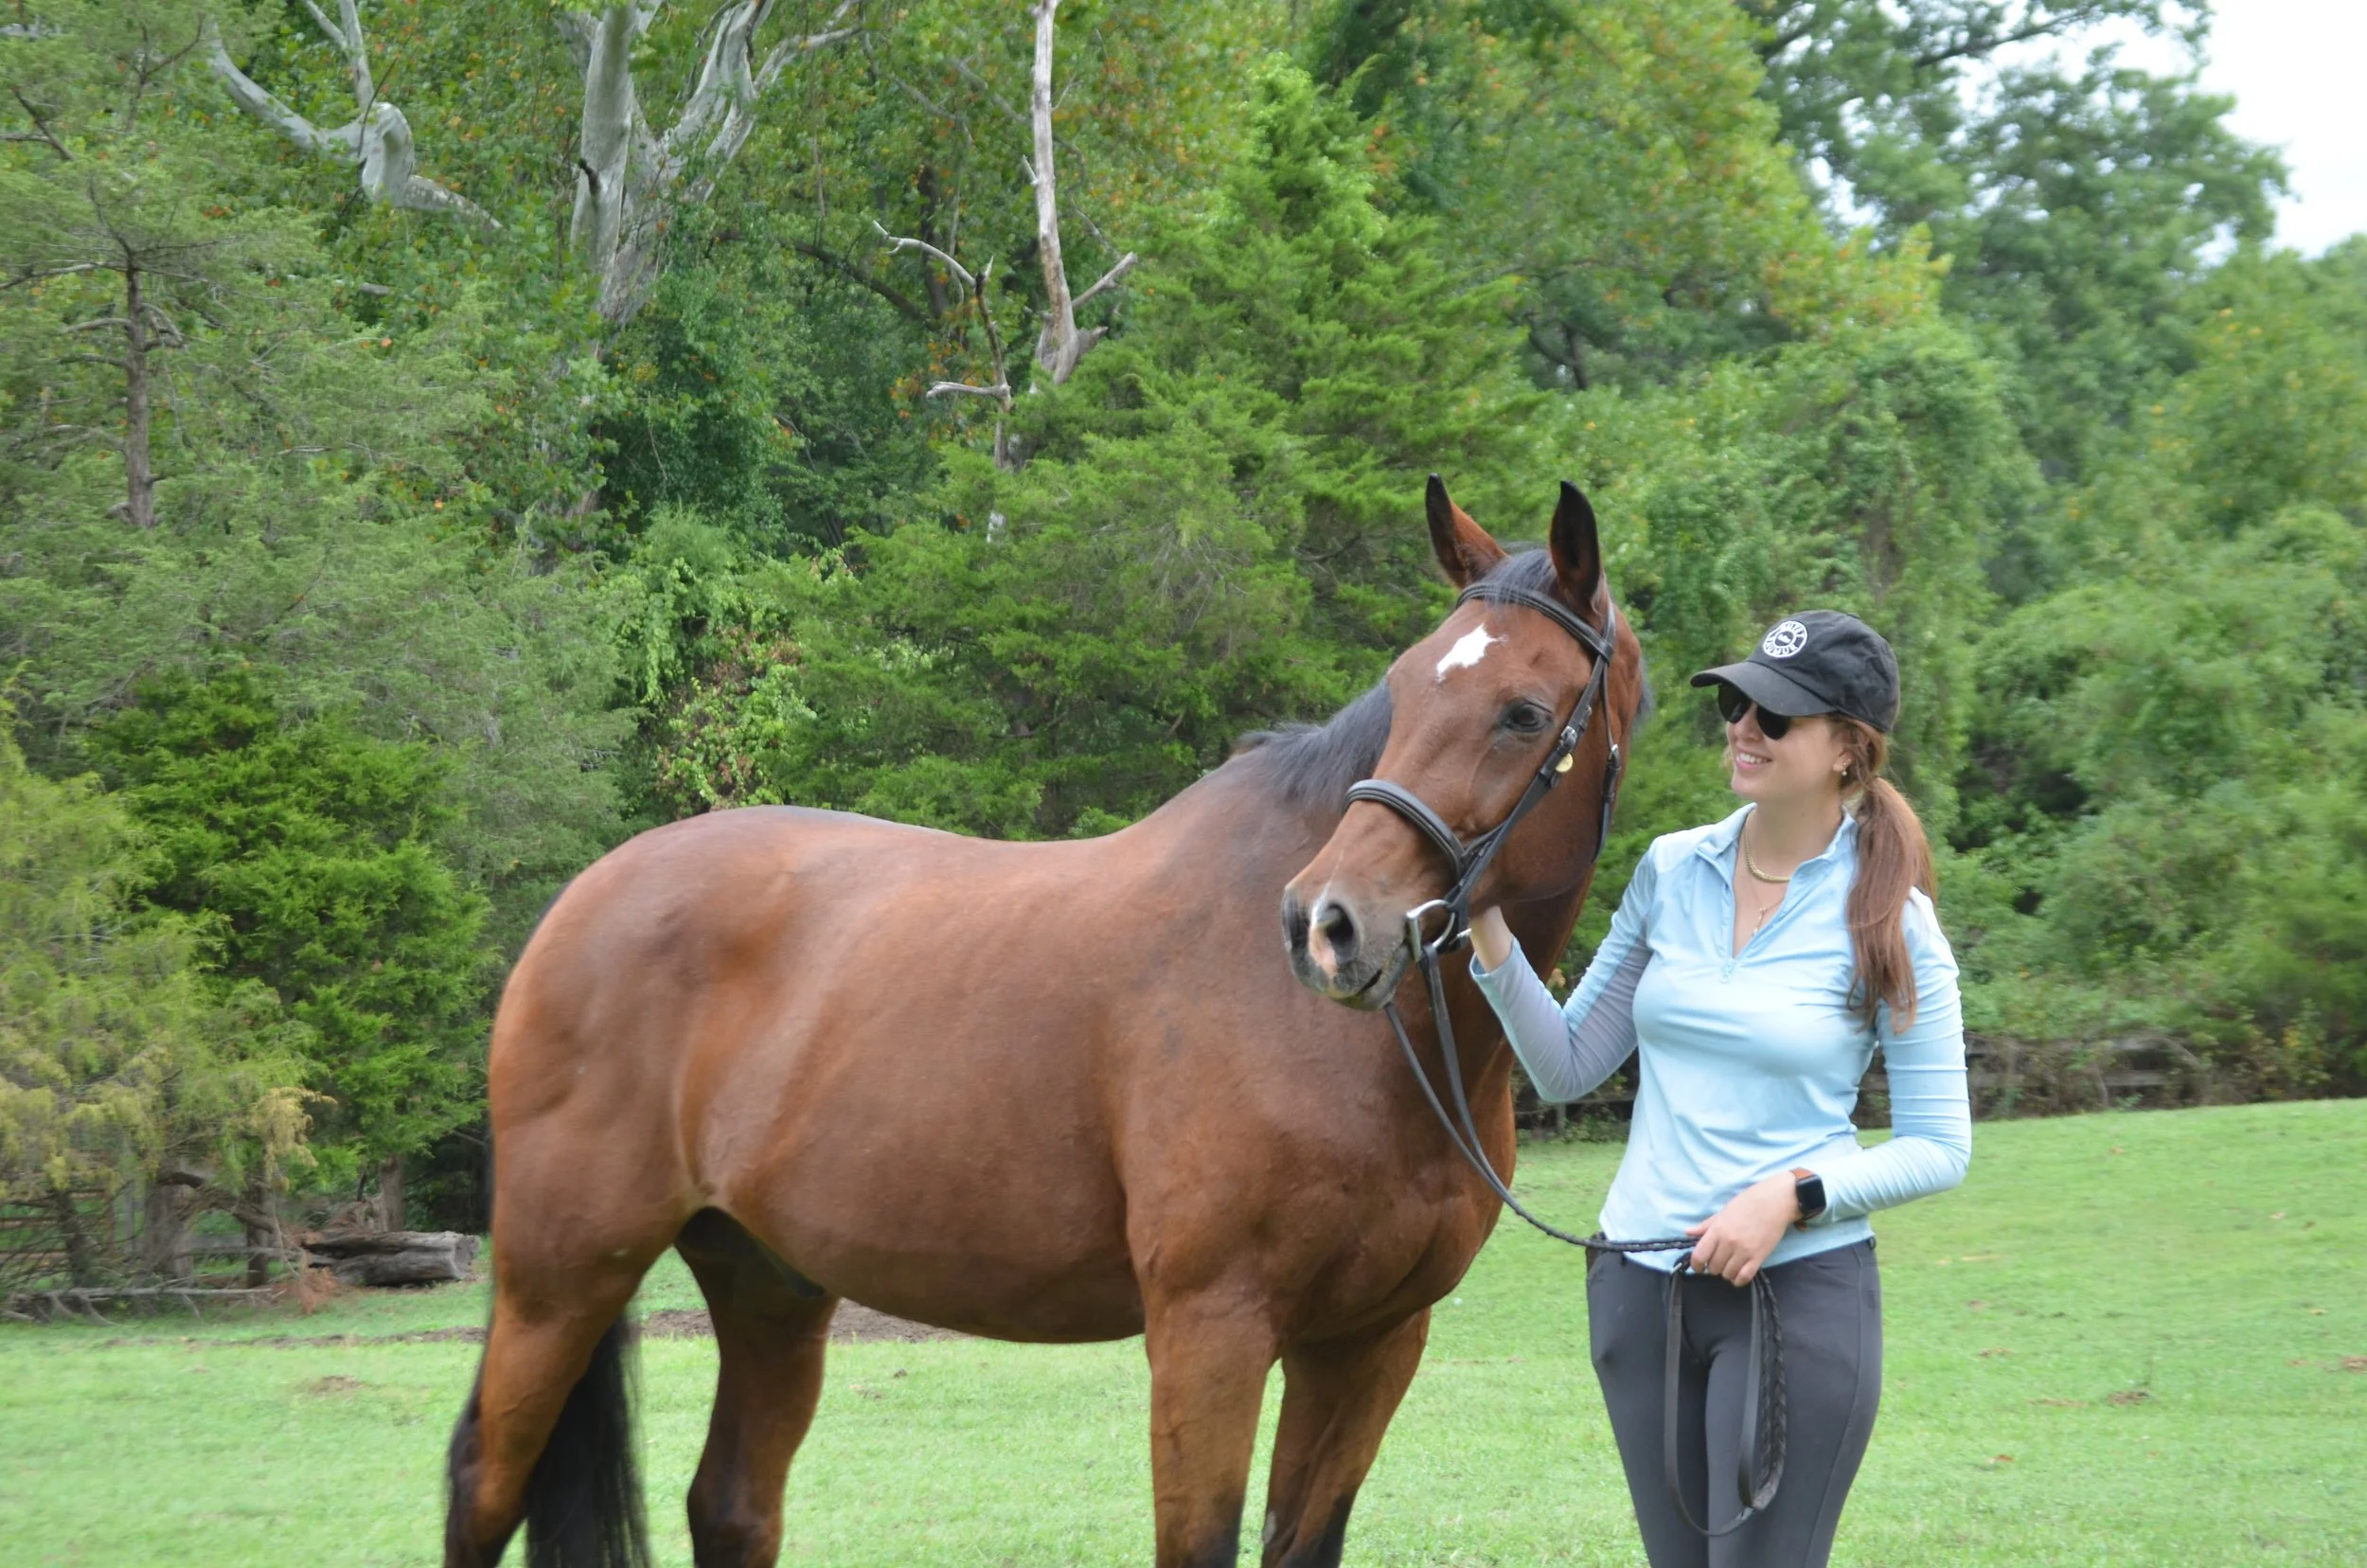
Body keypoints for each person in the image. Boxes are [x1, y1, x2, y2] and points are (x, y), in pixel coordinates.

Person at [1467, 609, 1971, 1568]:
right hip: (1637, 1291)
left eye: (1774, 716)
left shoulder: (1891, 921)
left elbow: (1940, 1146)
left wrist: (1790, 1194)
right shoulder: (1671, 869)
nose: (1742, 726)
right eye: (1736, 704)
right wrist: (1488, 922)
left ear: (1846, 752)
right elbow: (1567, 1067)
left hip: (1794, 1302)